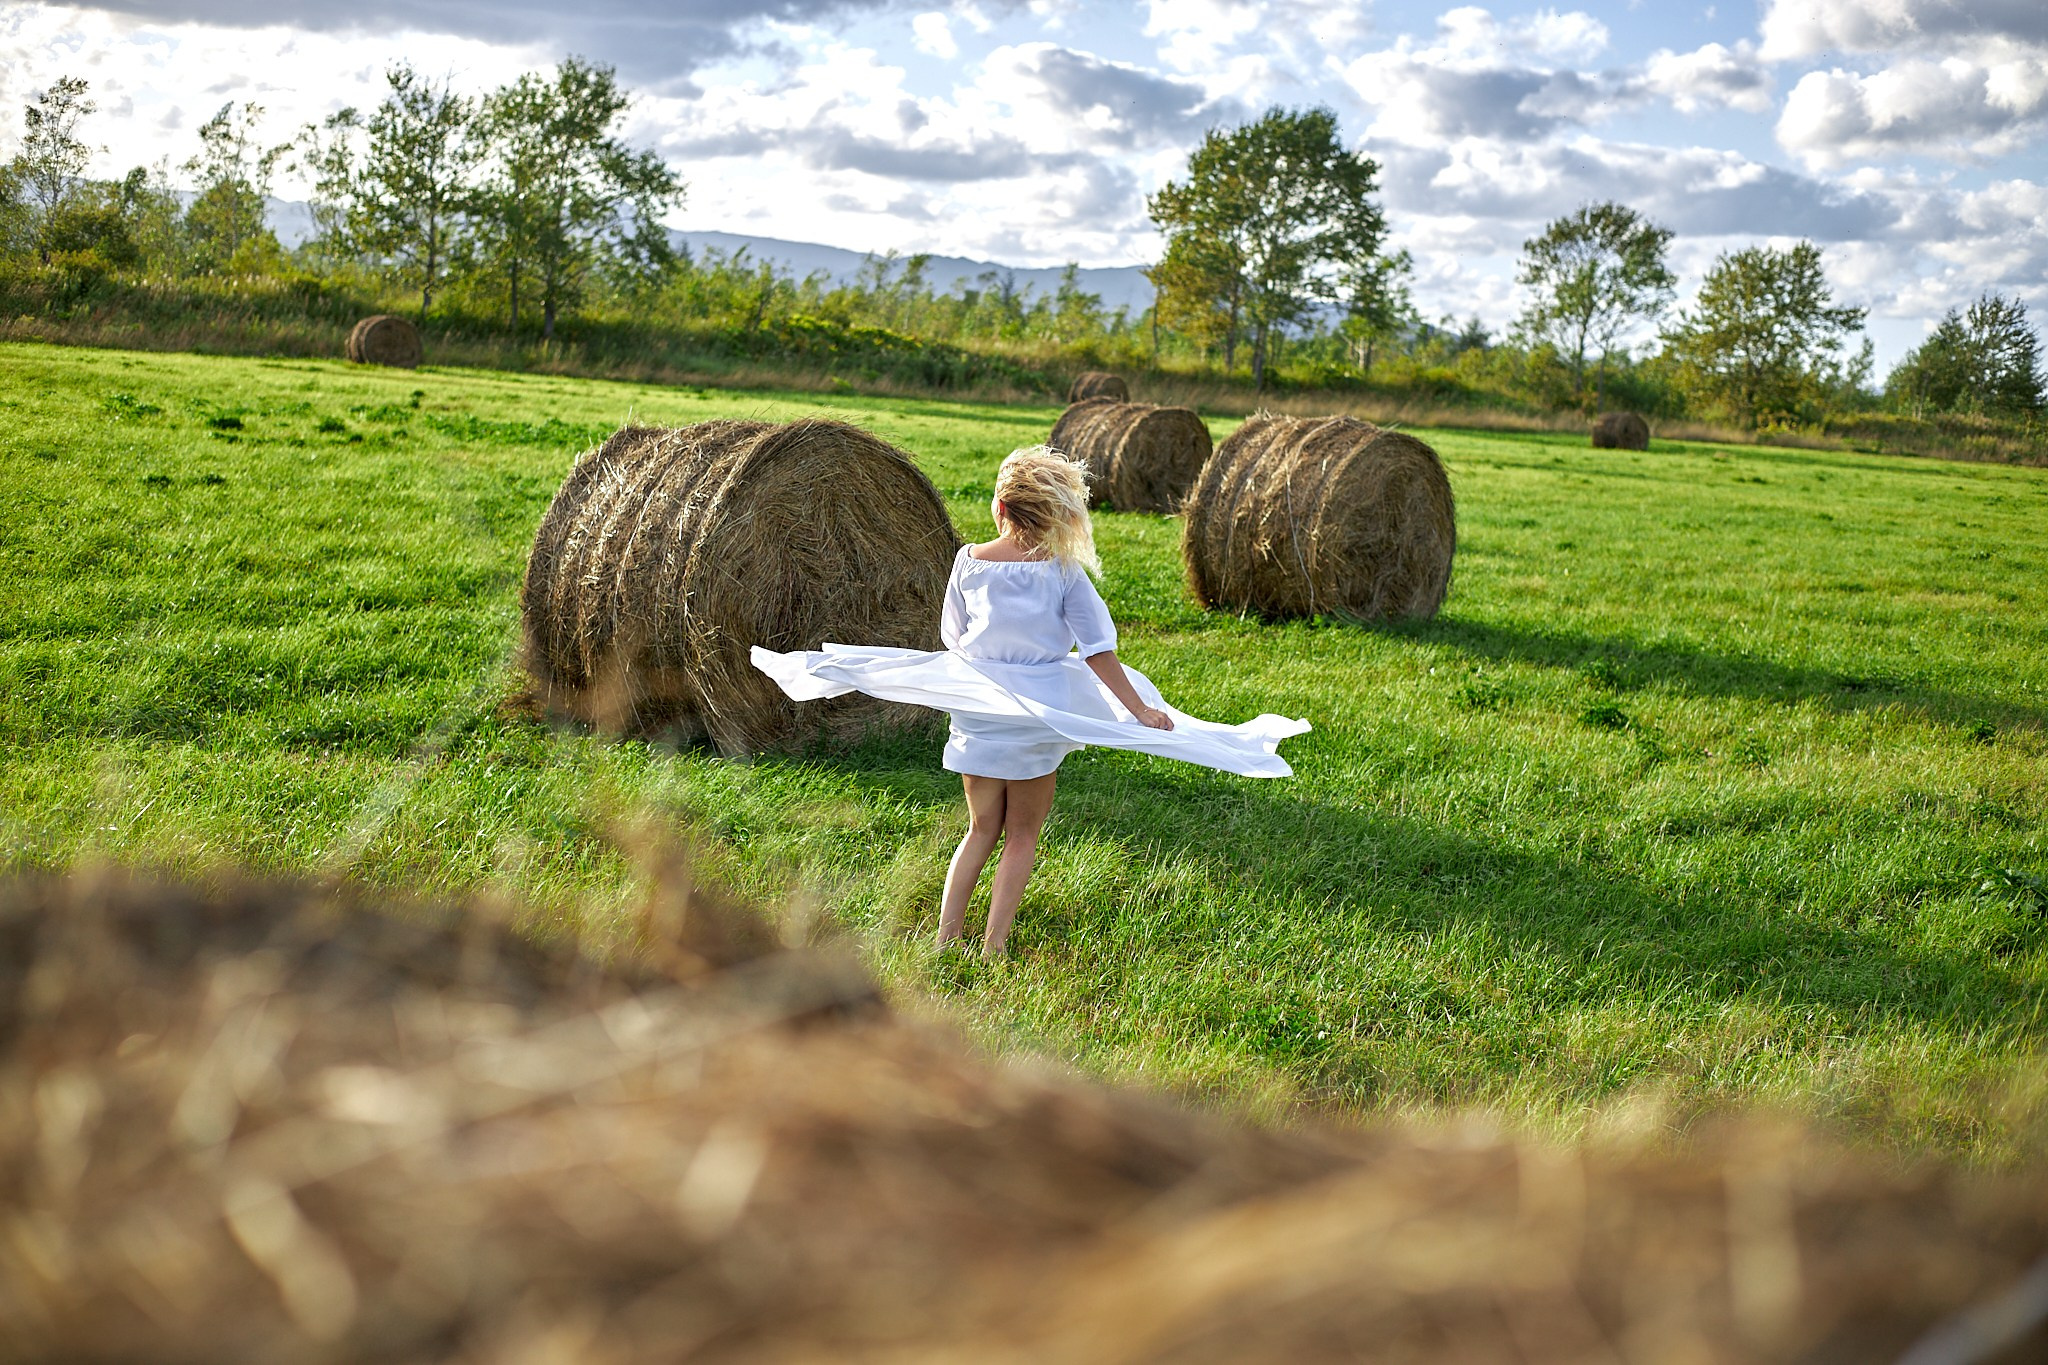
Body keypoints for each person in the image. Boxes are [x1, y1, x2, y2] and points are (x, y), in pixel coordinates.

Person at [752, 445, 1308, 958]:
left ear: (1000, 507)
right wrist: (1138, 710)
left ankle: (946, 936)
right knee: (1021, 835)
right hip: (1036, 718)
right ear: (1055, 515)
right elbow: (1098, 650)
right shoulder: (1063, 572)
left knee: (979, 830)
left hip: (981, 713)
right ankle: (994, 945)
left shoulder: (968, 561)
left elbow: (951, 638)